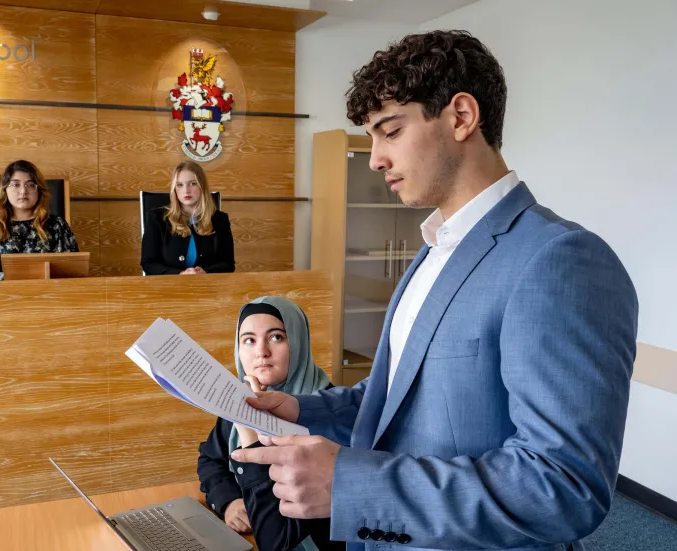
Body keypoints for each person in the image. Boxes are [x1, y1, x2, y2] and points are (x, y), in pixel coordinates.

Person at [231, 30, 639, 551]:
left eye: (390, 131)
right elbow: (393, 400)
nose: (376, 158)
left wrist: (353, 485)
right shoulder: (432, 249)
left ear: (461, 117)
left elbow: (563, 484)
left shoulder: (560, 260)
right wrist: (303, 410)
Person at [197, 297, 343, 551]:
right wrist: (228, 501)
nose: (261, 352)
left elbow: (282, 538)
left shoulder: (330, 412)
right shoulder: (242, 397)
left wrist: (250, 434)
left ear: (298, 343)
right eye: (249, 340)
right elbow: (211, 459)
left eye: (276, 337)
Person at [0, 160, 78, 281]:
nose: (23, 191)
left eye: (30, 185)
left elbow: (74, 271)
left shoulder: (57, 225)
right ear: (5, 189)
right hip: (0, 297)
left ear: (39, 190)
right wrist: (20, 279)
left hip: (48, 296)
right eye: (15, 184)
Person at [141, 160, 235, 275]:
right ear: (174, 189)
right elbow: (149, 264)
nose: (186, 190)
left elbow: (228, 264)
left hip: (208, 287)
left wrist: (206, 272)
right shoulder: (158, 218)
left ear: (202, 186)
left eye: (192, 183)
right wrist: (179, 275)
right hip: (169, 288)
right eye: (180, 185)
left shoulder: (220, 219)